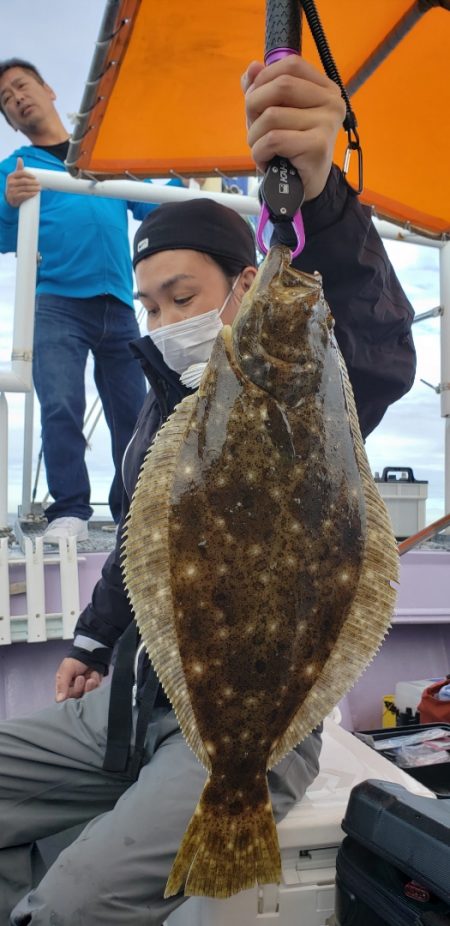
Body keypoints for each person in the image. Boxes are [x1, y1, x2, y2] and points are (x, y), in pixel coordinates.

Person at [0, 55, 416, 925]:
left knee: (65, 906)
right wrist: (88, 640)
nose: (161, 321)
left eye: (181, 295)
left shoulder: (316, 389)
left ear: (243, 287)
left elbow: (375, 340)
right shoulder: (163, 410)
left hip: (247, 717)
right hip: (135, 696)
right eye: (148, 305)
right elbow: (139, 550)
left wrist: (320, 193)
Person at [0, 58, 182, 543]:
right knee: (60, 404)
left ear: (49, 90)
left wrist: (184, 175)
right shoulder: (15, 169)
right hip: (56, 304)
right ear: (11, 120)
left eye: (22, 86)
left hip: (120, 305)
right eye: (6, 99)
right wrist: (9, 202)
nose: (17, 97)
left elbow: (149, 205)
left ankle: (136, 512)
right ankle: (70, 513)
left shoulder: (100, 156)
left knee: (135, 411)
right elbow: (0, 232)